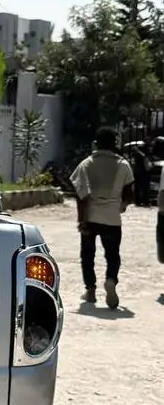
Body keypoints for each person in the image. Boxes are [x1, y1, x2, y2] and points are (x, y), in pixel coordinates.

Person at [70, 128, 134, 308]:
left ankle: (90, 291)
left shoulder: (86, 164)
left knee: (87, 255)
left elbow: (80, 196)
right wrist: (120, 206)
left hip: (90, 217)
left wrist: (81, 221)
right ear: (115, 144)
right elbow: (129, 195)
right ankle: (111, 280)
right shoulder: (123, 164)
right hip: (112, 217)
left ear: (96, 143)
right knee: (113, 254)